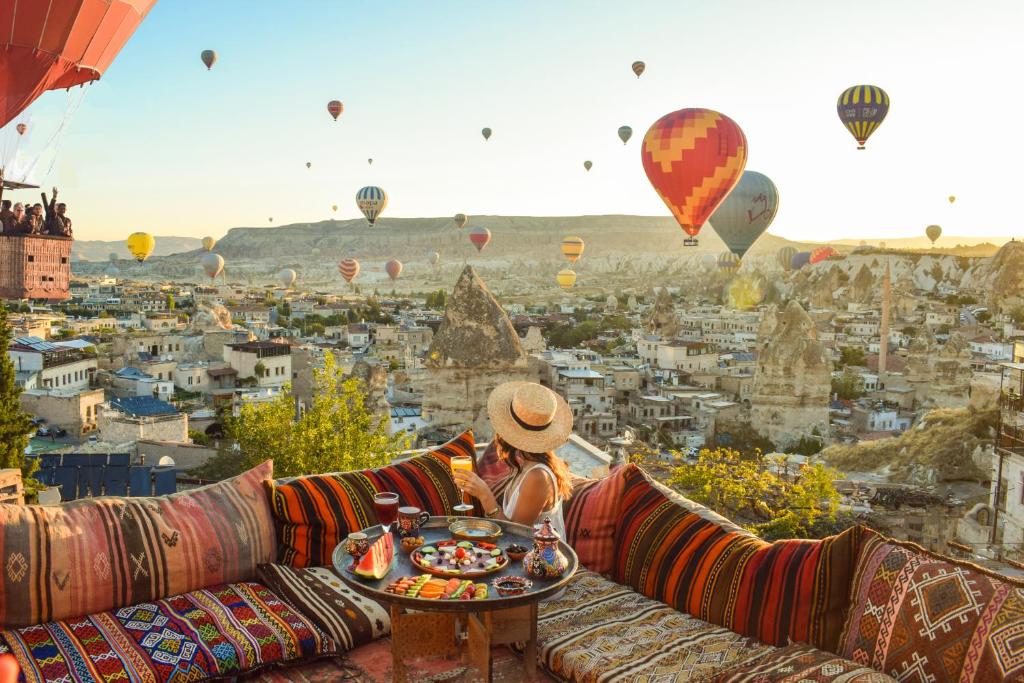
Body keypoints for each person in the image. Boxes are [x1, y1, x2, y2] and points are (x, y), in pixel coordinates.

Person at [453, 381, 573, 537]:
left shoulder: (537, 477)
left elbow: (515, 536)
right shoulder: (525, 466)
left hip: (539, 559)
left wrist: (485, 495)